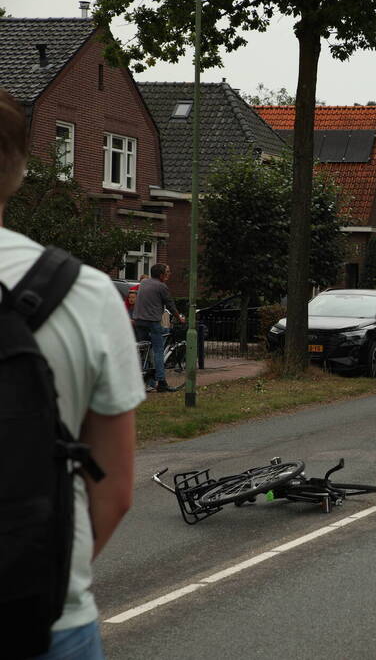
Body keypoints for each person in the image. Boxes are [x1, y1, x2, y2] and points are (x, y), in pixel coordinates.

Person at [0, 89, 144, 659]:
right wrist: (41, 579)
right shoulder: (84, 293)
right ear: (19, 172)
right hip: (47, 620)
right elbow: (115, 490)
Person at [133, 263, 184, 392]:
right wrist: (179, 318)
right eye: (167, 272)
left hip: (138, 321)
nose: (169, 274)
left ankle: (148, 381)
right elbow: (170, 305)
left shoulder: (144, 283)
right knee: (158, 351)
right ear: (161, 275)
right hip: (152, 321)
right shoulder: (162, 286)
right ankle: (161, 382)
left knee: (144, 349)